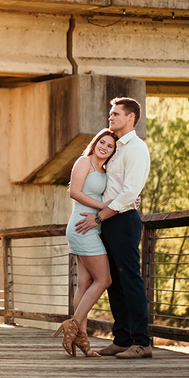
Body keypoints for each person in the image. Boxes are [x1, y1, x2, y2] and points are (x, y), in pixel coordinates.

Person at [74, 96, 152, 359]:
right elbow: (112, 186)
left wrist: (98, 217)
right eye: (110, 114)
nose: (111, 117)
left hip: (123, 220)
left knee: (130, 278)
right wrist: (102, 216)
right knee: (114, 281)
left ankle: (142, 342)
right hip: (108, 219)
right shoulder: (117, 147)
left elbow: (130, 192)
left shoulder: (136, 149)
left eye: (116, 114)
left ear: (130, 117)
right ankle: (122, 338)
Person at [54, 128, 118, 357]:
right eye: (102, 142)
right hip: (82, 227)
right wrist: (104, 207)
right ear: (95, 142)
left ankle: (83, 342)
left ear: (113, 151)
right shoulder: (85, 161)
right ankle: (73, 326)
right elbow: (74, 192)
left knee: (85, 282)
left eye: (110, 146)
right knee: (104, 279)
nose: (104, 147)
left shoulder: (104, 169)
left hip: (92, 227)